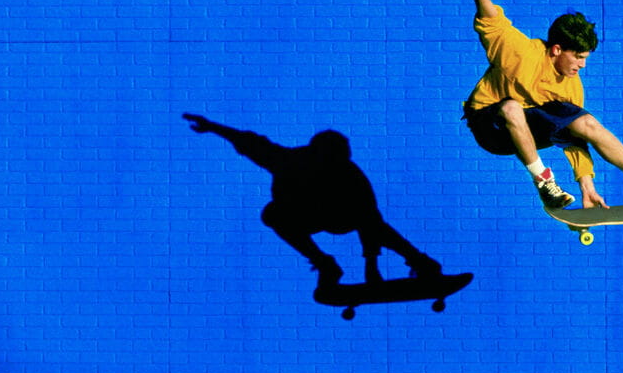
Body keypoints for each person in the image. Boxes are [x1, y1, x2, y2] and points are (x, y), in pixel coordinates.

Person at [456, 0, 623, 214]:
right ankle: (544, 183)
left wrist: (587, 184)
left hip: (529, 129)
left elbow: (574, 139)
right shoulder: (519, 52)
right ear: (557, 49)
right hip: (489, 127)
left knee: (585, 124)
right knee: (512, 108)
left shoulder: (570, 85)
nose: (582, 66)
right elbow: (492, 23)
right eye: (579, 57)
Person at [183, 113, 443, 287]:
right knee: (272, 214)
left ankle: (420, 261)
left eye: (342, 158)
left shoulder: (349, 173)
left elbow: (370, 220)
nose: (339, 163)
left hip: (342, 216)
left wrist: (371, 267)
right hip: (307, 214)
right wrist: (211, 127)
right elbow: (249, 142)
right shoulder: (290, 161)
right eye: (335, 158)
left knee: (371, 221)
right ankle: (325, 264)